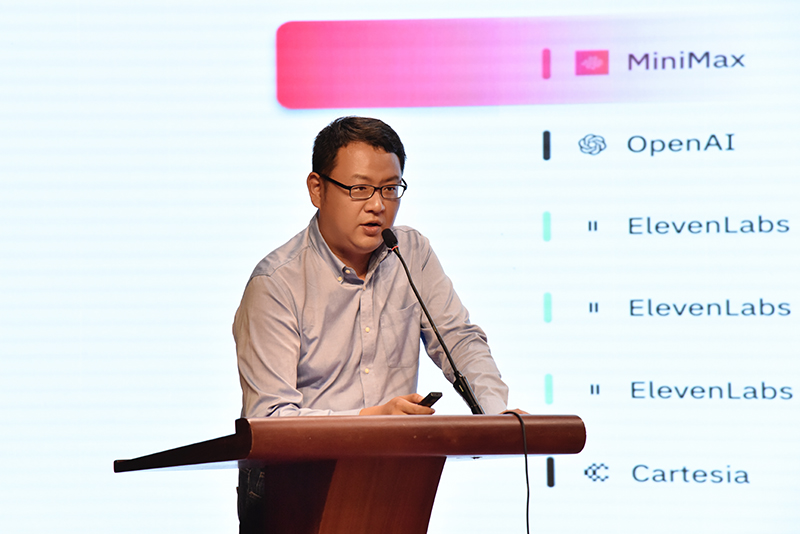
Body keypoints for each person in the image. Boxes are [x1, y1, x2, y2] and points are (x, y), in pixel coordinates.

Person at [233, 116, 511, 531]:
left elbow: (458, 339)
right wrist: (372, 419)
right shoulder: (276, 284)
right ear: (317, 189)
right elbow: (270, 419)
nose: (378, 205)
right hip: (297, 486)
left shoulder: (410, 252)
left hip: (390, 476)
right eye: (360, 189)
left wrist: (496, 416)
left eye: (390, 189)